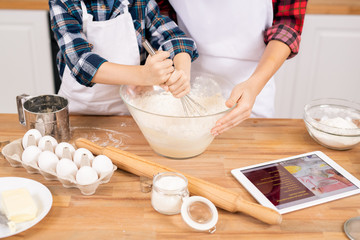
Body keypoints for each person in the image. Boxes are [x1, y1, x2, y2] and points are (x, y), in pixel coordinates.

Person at [156, 0, 308, 136]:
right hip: (187, 82)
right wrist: (179, 64)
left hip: (253, 85)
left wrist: (255, 84)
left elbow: (288, 25)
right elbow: (161, 18)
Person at [49, 0, 198, 115]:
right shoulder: (64, 2)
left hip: (131, 109)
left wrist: (181, 73)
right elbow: (81, 63)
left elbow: (174, 37)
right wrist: (144, 75)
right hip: (80, 112)